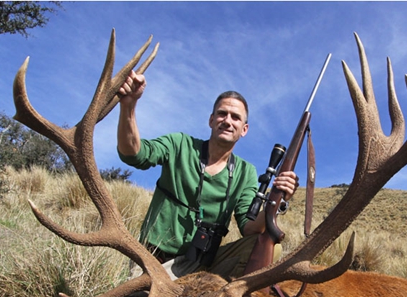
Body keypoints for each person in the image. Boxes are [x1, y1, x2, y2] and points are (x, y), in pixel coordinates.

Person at [117, 71, 298, 280]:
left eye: (236, 117)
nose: (228, 121)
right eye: (222, 114)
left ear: (244, 129)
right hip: (153, 259)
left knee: (269, 246)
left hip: (202, 265)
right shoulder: (179, 144)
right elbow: (134, 154)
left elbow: (249, 228)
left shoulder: (245, 171)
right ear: (211, 120)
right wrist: (128, 106)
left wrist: (276, 200)